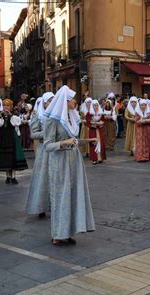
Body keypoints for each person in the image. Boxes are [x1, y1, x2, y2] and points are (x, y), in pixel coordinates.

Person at [43, 85, 96, 245]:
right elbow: (47, 145)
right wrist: (65, 142)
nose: (75, 101)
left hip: (74, 160)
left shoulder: (72, 117)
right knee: (60, 196)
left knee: (72, 195)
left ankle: (69, 231)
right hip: (60, 162)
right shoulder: (52, 119)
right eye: (72, 99)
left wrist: (88, 141)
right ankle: (57, 233)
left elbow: (74, 141)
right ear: (65, 101)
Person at [26, 92, 54, 218]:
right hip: (45, 150)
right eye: (49, 101)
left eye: (54, 100)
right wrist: (47, 133)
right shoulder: (38, 115)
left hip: (57, 149)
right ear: (44, 102)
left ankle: (55, 204)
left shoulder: (58, 114)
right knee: (43, 178)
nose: (52, 103)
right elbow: (33, 134)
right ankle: (41, 206)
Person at [0, 99, 28, 184]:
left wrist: (10, 115)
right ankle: (8, 176)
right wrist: (1, 116)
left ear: (11, 106)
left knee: (13, 158)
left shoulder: (14, 115)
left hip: (12, 138)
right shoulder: (0, 115)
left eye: (7, 105)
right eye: (4, 105)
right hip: (3, 138)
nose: (6, 107)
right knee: (6, 158)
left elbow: (17, 123)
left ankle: (13, 176)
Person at [87, 100, 106, 164]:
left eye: (97, 105)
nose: (96, 106)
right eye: (94, 105)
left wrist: (101, 124)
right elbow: (88, 123)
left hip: (99, 130)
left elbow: (103, 121)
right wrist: (94, 124)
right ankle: (94, 159)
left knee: (101, 143)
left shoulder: (101, 113)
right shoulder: (89, 114)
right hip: (93, 130)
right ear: (92, 106)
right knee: (93, 143)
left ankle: (100, 158)